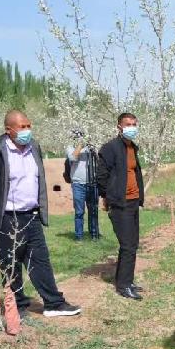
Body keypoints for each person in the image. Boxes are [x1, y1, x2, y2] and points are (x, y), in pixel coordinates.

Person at [0, 110, 81, 318]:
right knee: (11, 263)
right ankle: (17, 307)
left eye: (29, 126)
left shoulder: (34, 147)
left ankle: (54, 303)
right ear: (8, 130)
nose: (27, 130)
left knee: (40, 260)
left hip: (31, 215)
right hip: (7, 217)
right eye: (22, 127)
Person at [97, 113, 145, 301]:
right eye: (128, 124)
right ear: (119, 127)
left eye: (134, 124)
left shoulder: (132, 147)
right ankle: (123, 286)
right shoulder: (110, 148)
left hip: (133, 201)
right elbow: (101, 176)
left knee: (133, 244)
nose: (131, 127)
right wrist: (108, 197)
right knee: (127, 244)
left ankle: (127, 281)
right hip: (120, 202)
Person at [66, 135, 100, 241]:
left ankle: (94, 234)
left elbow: (100, 160)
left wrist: (92, 147)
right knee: (79, 212)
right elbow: (72, 157)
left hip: (93, 183)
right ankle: (79, 236)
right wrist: (81, 144)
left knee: (93, 210)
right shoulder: (71, 147)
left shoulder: (93, 147)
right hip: (78, 184)